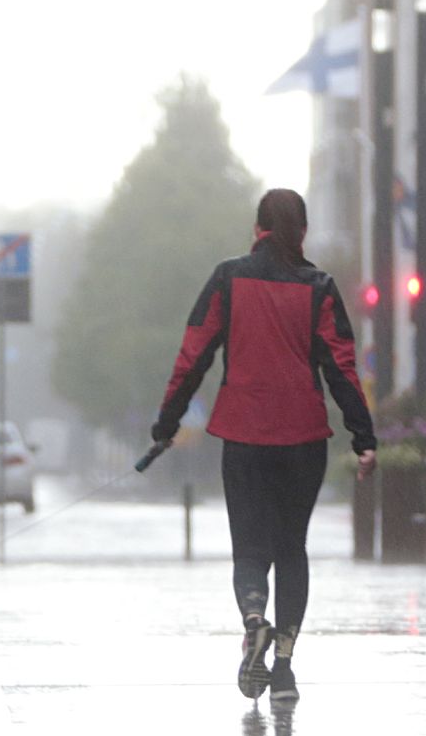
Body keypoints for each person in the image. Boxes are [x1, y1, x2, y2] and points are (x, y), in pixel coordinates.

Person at [152, 188, 377, 702]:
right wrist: (363, 435)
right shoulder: (318, 287)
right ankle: (284, 665)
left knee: (251, 547)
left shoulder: (229, 279)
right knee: (291, 547)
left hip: (244, 434)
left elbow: (194, 353)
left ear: (257, 229)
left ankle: (254, 616)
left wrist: (167, 421)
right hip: (303, 437)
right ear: (302, 232)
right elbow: (341, 365)